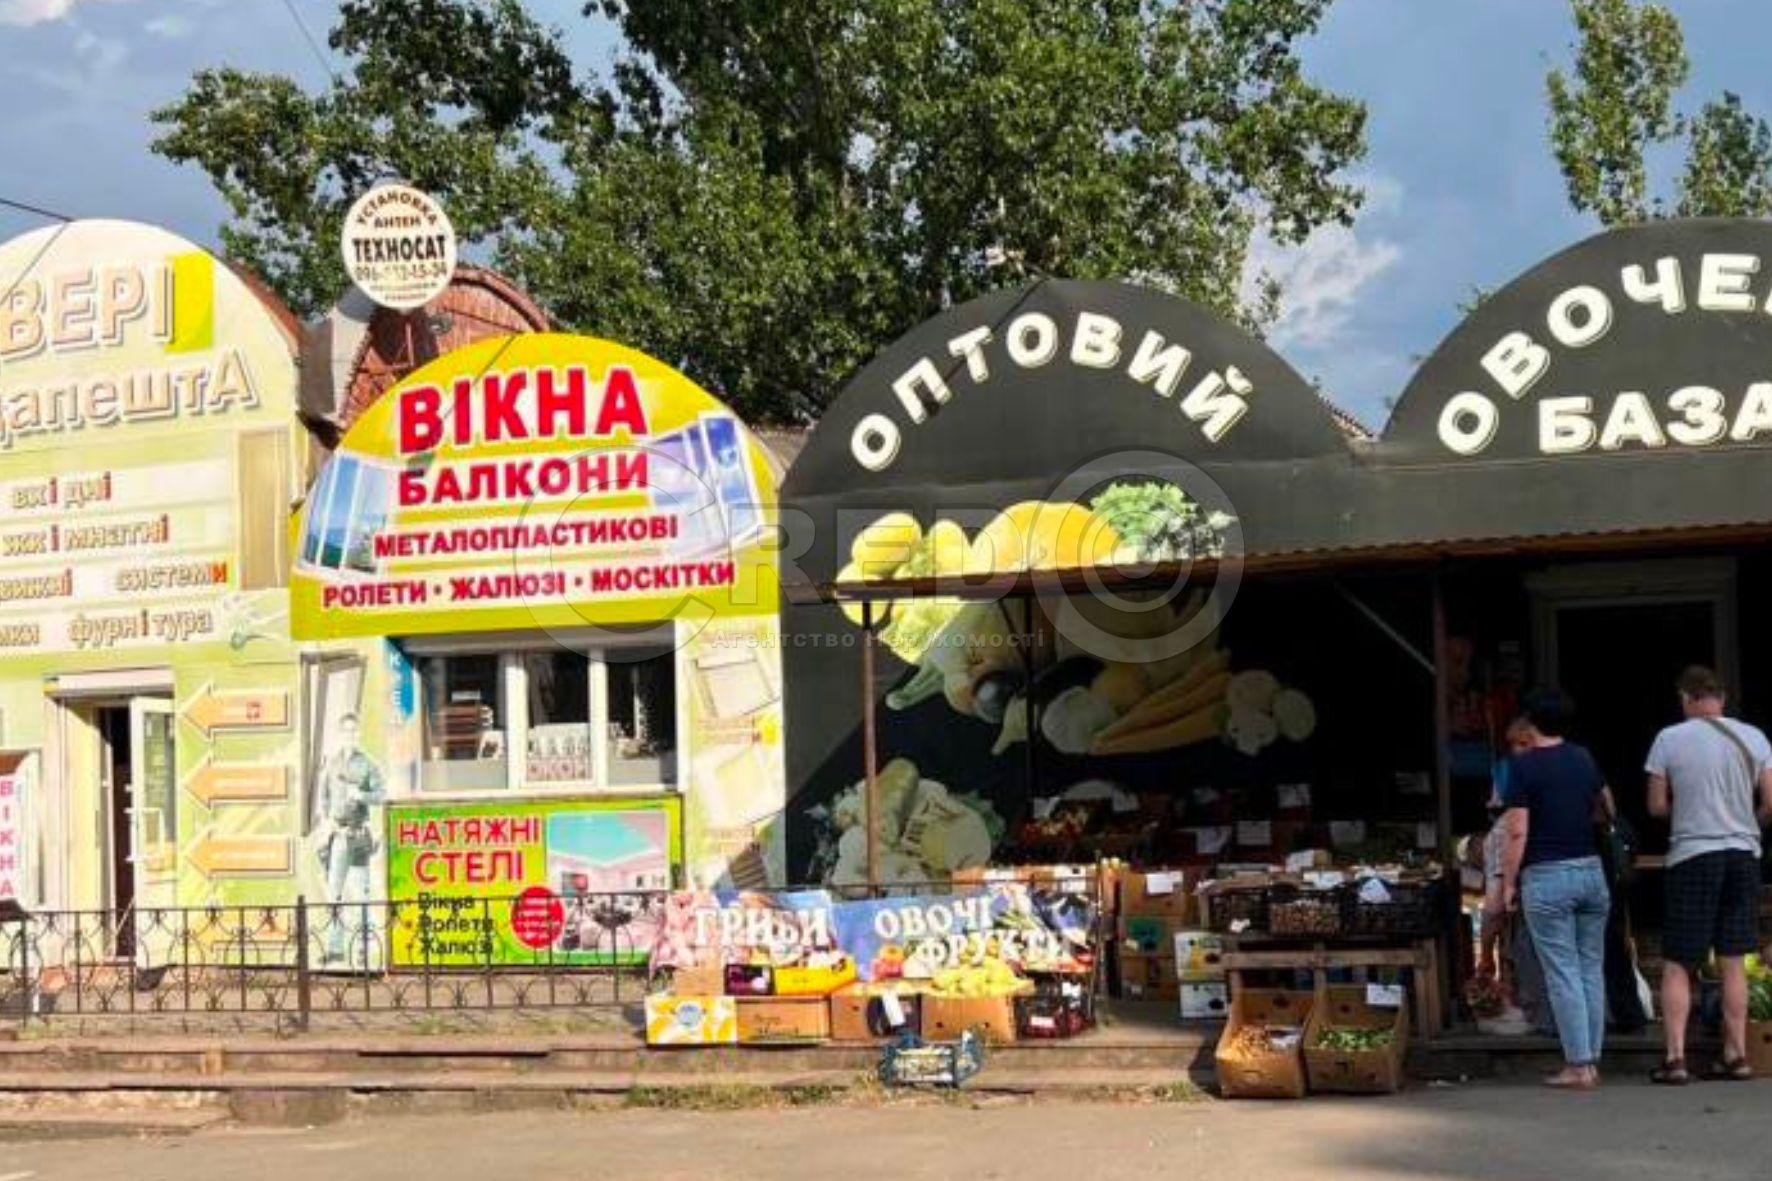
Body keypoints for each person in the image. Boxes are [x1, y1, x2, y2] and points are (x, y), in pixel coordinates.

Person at [1645, 665, 1772, 1085]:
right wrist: (1744, 824)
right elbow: (1770, 803)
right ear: (1722, 698)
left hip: (1693, 855)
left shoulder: (1669, 738)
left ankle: (1676, 1058)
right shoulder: (1755, 737)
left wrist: (1689, 810)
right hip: (1743, 855)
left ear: (1686, 697)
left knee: (1679, 961)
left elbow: (1656, 806)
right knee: (1733, 960)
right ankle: (1736, 1056)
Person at [1499, 690, 1613, 1089]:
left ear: (1531, 722)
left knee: (1563, 971)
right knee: (1590, 967)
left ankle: (1578, 1065)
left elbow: (1517, 830)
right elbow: (1607, 807)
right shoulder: (1583, 758)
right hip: (1591, 871)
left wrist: (1509, 882)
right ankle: (1591, 1059)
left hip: (1547, 875)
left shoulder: (1524, 766)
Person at [312, 712, 387, 967]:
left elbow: (382, 794)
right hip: (338, 836)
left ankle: (363, 949)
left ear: (359, 733)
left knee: (361, 895)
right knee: (334, 894)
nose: (350, 735)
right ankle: (335, 950)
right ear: (340, 734)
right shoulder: (331, 764)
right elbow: (323, 796)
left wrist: (362, 795)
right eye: (346, 731)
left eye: (354, 731)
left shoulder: (368, 764)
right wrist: (326, 821)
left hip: (358, 835)